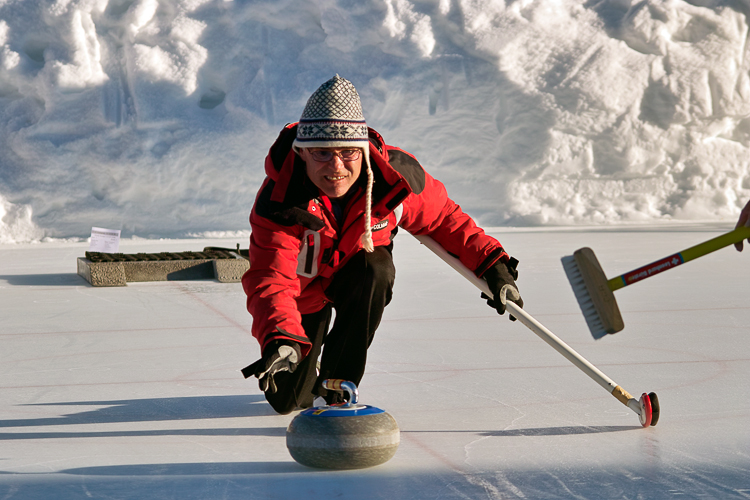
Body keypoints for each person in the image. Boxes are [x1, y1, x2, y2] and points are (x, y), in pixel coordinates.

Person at [240, 75, 523, 414]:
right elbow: (272, 278)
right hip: (303, 294)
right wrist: (281, 335)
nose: (336, 167)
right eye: (321, 154)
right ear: (302, 154)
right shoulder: (281, 199)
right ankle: (303, 374)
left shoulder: (395, 179)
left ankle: (337, 387)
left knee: (374, 269)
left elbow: (445, 219)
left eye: (348, 153)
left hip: (357, 278)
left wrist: (492, 264)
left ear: (363, 152)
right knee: (288, 402)